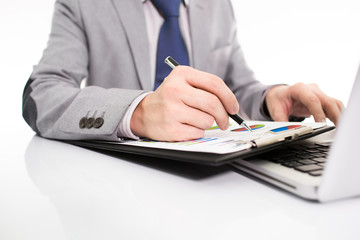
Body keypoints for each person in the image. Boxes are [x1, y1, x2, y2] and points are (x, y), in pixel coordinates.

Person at [22, 0, 343, 142]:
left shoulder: (218, 5)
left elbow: (236, 87)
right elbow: (41, 96)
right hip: (115, 186)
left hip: (211, 179)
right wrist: (137, 112)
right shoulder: (83, 3)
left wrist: (271, 98)